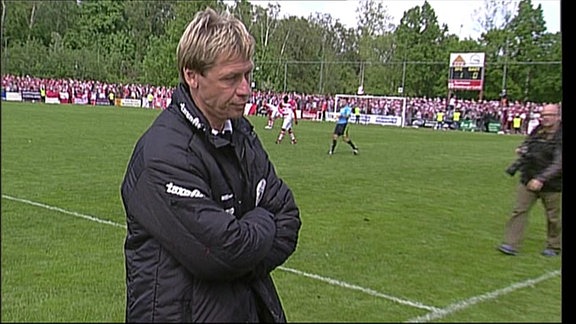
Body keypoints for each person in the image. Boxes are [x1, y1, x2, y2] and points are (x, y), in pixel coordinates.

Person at [120, 7, 302, 322]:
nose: (245, 89)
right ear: (192, 76)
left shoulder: (242, 135)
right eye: (231, 78)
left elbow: (288, 219)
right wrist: (258, 224)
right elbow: (222, 253)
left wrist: (240, 254)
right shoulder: (164, 153)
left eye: (248, 74)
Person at [498, 103, 562, 257]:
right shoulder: (537, 130)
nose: (544, 118)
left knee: (554, 218)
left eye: (548, 115)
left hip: (553, 183)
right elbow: (528, 143)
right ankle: (510, 244)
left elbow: (559, 163)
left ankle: (554, 246)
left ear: (557, 116)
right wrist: (522, 149)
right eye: (543, 115)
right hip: (528, 177)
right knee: (519, 210)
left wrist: (541, 179)